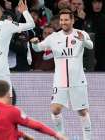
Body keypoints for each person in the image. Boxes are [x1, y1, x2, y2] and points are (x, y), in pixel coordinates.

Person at [31, 8, 93, 140]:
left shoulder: (81, 33)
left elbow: (91, 46)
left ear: (72, 20)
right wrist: (35, 43)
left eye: (66, 20)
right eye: (61, 20)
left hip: (78, 79)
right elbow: (38, 48)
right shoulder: (53, 37)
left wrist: (83, 41)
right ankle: (61, 136)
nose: (63, 22)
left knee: (82, 112)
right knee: (55, 110)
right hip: (60, 80)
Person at [0, 80, 67, 140]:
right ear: (8, 94)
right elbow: (35, 126)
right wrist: (55, 134)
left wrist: (21, 134)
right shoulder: (11, 111)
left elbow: (0, 130)